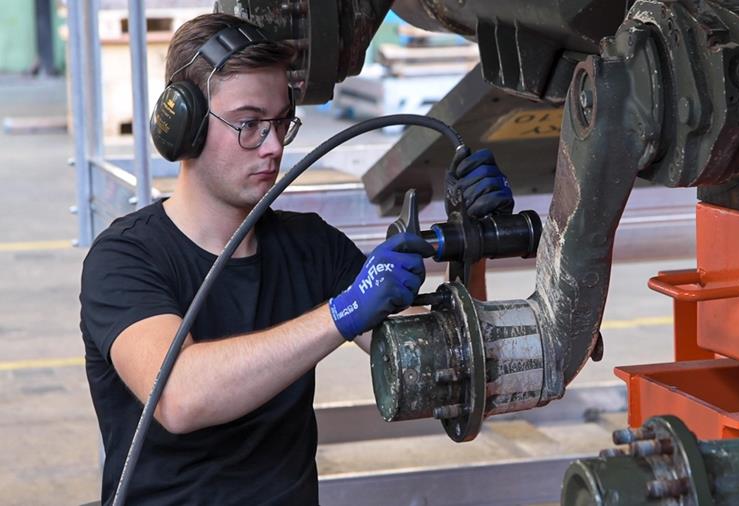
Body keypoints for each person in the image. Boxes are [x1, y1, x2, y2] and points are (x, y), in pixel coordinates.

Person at [79, 12, 514, 505]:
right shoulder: (125, 258)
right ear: (185, 127)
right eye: (248, 124)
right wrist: (341, 313)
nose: (273, 147)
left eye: (281, 122)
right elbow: (179, 397)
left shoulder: (310, 246)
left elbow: (448, 364)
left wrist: (470, 245)